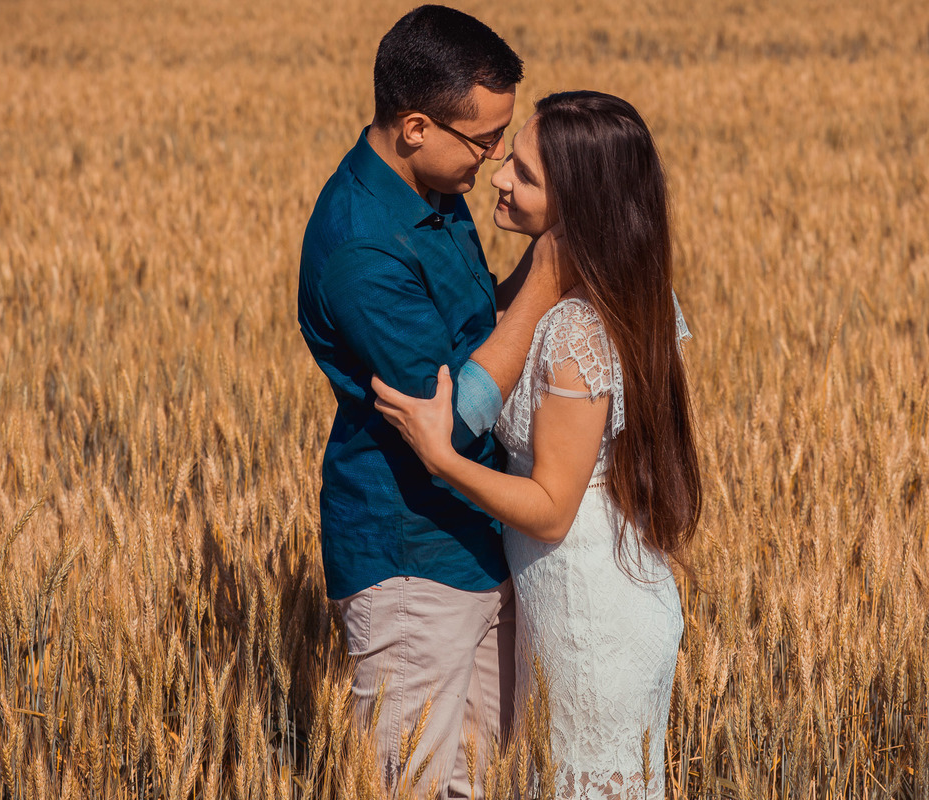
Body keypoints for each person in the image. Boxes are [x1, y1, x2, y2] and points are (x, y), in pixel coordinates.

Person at [373, 91, 702, 799]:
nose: (499, 176)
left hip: (589, 623)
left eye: (523, 173)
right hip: (588, 601)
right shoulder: (614, 293)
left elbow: (553, 506)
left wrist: (443, 460)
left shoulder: (574, 332)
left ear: (576, 207)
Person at [296, 6, 567, 798]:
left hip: (480, 541)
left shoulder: (435, 188)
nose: (491, 160)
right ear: (415, 126)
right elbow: (446, 420)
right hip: (412, 561)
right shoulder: (361, 248)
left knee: (482, 786)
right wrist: (547, 281)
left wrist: (563, 256)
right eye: (483, 141)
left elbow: (482, 326)